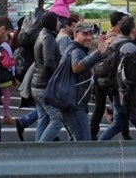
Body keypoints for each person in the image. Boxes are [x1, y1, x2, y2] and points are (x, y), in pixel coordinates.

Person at [58, 23, 107, 141]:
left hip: (71, 103)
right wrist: (98, 53)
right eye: (85, 34)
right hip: (74, 105)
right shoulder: (77, 50)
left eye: (90, 34)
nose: (89, 38)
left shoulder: (73, 49)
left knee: (77, 142)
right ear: (75, 34)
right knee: (83, 142)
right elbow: (76, 67)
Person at [99, 16, 136, 140]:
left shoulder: (115, 43)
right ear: (133, 30)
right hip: (128, 95)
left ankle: (98, 146)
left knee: (117, 123)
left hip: (116, 92)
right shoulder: (129, 48)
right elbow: (132, 76)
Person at [90, 10, 128, 140]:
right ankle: (123, 133)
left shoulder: (109, 34)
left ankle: (94, 132)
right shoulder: (115, 37)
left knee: (102, 107)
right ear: (118, 23)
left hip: (102, 77)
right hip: (108, 78)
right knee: (119, 107)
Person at [31, 11, 63, 142]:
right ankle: (41, 148)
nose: (59, 23)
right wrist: (59, 77)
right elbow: (49, 62)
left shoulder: (41, 35)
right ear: (52, 22)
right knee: (57, 121)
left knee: (43, 119)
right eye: (57, 21)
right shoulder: (48, 38)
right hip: (45, 85)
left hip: (36, 84)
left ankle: (37, 152)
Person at [0, 38, 16, 125]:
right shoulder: (4, 47)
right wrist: (13, 61)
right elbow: (6, 63)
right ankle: (6, 116)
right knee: (6, 96)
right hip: (3, 76)